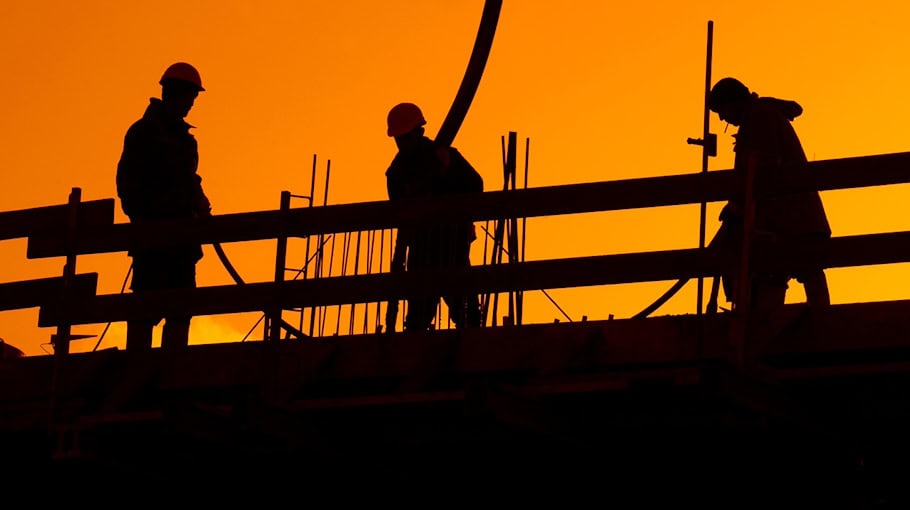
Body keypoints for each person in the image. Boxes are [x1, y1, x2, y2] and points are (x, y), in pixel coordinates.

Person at [707, 77, 831, 316]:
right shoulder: (761, 115)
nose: (723, 119)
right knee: (785, 270)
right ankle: (801, 322)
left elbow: (762, 169)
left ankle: (817, 325)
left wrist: (738, 207)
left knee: (798, 268)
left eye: (722, 111)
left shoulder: (759, 117)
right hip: (787, 215)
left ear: (732, 101)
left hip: (788, 216)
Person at [116, 62, 212, 350]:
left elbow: (187, 179)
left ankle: (173, 368)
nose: (190, 105)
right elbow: (128, 185)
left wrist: (199, 203)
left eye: (193, 99)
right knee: (145, 309)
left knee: (180, 309)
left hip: (182, 243)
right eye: (188, 98)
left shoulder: (185, 141)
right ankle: (139, 366)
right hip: (153, 241)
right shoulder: (144, 133)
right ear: (172, 93)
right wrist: (150, 220)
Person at [384, 102, 483, 332]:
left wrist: (448, 169)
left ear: (419, 132)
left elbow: (476, 186)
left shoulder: (444, 156)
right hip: (421, 250)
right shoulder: (397, 172)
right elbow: (397, 212)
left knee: (468, 316)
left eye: (406, 137)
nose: (403, 144)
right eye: (399, 139)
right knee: (418, 319)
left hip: (453, 247)